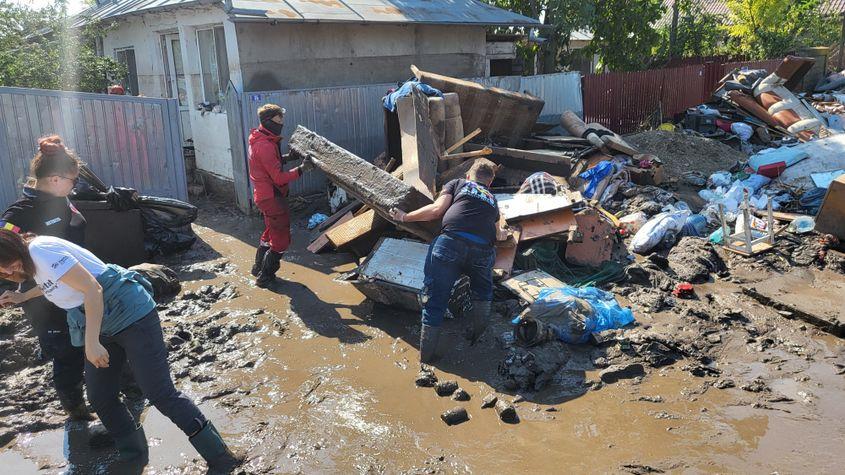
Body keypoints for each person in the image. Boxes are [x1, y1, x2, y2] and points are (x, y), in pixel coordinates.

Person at [0, 230, 242, 472]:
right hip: (100, 319)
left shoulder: (40, 250)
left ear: (13, 248)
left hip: (130, 313)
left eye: (7, 265)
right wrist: (23, 297)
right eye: (3, 271)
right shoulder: (31, 261)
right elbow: (52, 283)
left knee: (159, 393)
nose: (8, 272)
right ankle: (133, 454)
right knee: (100, 395)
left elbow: (92, 289)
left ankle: (222, 458)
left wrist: (92, 342)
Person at [1, 136, 93, 420]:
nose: (74, 187)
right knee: (67, 355)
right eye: (72, 181)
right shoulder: (19, 216)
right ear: (54, 179)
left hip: (78, 287)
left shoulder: (62, 200)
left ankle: (110, 389)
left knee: (97, 337)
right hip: (45, 299)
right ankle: (75, 410)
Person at [389, 162, 508, 364]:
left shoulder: (458, 183)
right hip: (482, 251)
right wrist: (504, 234)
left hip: (450, 244)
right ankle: (474, 341)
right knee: (483, 295)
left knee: (435, 301)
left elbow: (437, 210)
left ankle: (425, 361)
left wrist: (404, 217)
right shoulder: (492, 200)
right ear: (490, 182)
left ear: (469, 175)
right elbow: (498, 234)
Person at [248, 104, 314, 288]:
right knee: (281, 239)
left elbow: (268, 164)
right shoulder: (265, 145)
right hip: (272, 197)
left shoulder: (259, 138)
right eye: (279, 120)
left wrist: (287, 158)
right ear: (268, 121)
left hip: (264, 195)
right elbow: (277, 176)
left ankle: (258, 267)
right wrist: (302, 169)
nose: (282, 124)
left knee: (270, 232)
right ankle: (265, 277)